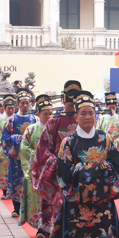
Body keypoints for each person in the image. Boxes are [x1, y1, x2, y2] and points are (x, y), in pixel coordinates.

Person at [41, 90, 119, 238]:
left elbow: (116, 161)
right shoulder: (69, 142)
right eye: (83, 113)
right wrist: (86, 171)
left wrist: (99, 171)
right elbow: (63, 169)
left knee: (103, 235)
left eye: (91, 113)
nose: (88, 117)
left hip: (102, 200)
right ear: (76, 117)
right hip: (78, 201)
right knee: (79, 237)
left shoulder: (104, 138)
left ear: (95, 115)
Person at [33, 80, 81, 226]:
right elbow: (43, 149)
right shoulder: (53, 122)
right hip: (59, 172)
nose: (72, 102)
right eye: (69, 98)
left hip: (82, 172)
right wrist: (58, 163)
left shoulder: (86, 120)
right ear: (63, 99)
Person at [19, 94, 55, 237]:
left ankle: (50, 226)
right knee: (38, 199)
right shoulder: (31, 130)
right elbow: (24, 148)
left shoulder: (54, 129)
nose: (48, 117)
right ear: (38, 114)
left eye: (50, 114)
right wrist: (38, 155)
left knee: (50, 199)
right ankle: (40, 227)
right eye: (45, 114)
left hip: (52, 171)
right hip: (37, 170)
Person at [2, 89, 37, 214]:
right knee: (16, 181)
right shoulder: (11, 120)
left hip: (31, 158)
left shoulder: (35, 120)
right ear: (18, 105)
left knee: (30, 181)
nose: (25, 105)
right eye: (22, 103)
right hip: (16, 157)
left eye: (27, 103)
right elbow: (5, 139)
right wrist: (20, 139)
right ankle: (16, 208)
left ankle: (31, 208)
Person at [96, 92, 119, 161]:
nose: (112, 109)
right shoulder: (101, 118)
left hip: (117, 145)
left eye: (113, 107)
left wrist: (116, 141)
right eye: (110, 107)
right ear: (106, 107)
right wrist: (106, 141)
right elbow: (97, 132)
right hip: (105, 144)